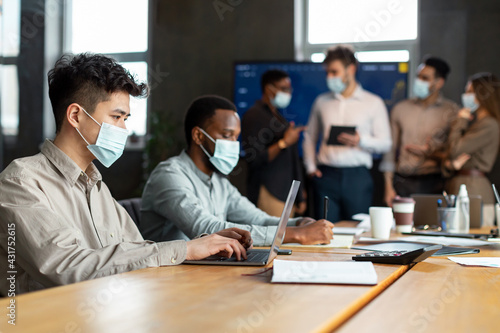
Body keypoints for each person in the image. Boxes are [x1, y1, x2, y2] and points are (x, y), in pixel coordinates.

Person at [0, 54, 252, 296]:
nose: (124, 129)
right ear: (75, 116)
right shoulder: (21, 182)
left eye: (125, 118)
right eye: (116, 117)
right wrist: (186, 249)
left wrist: (204, 245)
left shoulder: (96, 185)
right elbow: (69, 267)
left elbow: (135, 251)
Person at [140, 95, 334, 246]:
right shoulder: (169, 175)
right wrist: (296, 235)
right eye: (226, 135)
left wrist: (298, 224)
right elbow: (208, 229)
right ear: (198, 136)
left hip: (202, 271)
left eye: (236, 137)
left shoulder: (218, 181)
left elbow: (258, 219)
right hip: (169, 278)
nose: (234, 144)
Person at [303, 45, 391, 222]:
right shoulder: (322, 102)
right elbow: (310, 137)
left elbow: (386, 143)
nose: (329, 77)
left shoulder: (373, 102)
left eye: (334, 72)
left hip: (357, 177)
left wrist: (361, 140)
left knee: (358, 230)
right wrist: (311, 168)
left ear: (351, 69)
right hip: (326, 175)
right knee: (323, 229)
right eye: (327, 72)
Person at [380, 56, 459, 206]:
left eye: (425, 78)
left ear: (439, 82)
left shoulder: (452, 112)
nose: (419, 81)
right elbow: (389, 151)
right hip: (403, 181)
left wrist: (431, 152)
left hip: (434, 181)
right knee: (399, 228)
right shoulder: (400, 109)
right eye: (418, 76)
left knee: (433, 228)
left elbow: (455, 152)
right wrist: (388, 187)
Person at [241, 69, 306, 217]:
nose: (288, 93)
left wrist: (300, 193)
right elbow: (254, 159)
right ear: (269, 89)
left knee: (287, 239)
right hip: (269, 191)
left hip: (287, 191)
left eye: (289, 89)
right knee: (273, 238)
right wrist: (283, 143)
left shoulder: (278, 116)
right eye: (284, 89)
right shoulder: (254, 115)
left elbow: (292, 158)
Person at [442, 72, 500, 226]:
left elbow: (455, 149)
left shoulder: (488, 124)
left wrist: (459, 120)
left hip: (474, 189)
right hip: (463, 184)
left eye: (469, 92)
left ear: (483, 95)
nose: (466, 96)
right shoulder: (477, 123)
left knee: (477, 242)